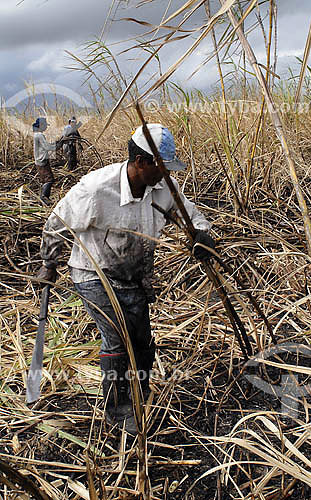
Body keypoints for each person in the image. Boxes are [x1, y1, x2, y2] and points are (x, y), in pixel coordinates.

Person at [36, 123, 215, 433]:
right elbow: (57, 221)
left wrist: (202, 234)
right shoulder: (96, 189)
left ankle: (138, 393)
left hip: (134, 275)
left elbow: (189, 212)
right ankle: (118, 410)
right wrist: (49, 263)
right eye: (160, 166)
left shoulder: (162, 187)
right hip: (94, 274)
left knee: (142, 342)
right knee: (118, 338)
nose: (165, 174)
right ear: (140, 162)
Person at [33, 117, 63, 205]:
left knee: (45, 179)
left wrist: (58, 142)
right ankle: (44, 197)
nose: (46, 127)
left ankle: (44, 197)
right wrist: (59, 145)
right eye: (45, 125)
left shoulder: (37, 134)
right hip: (42, 161)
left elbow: (46, 145)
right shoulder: (39, 135)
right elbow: (47, 147)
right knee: (49, 179)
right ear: (41, 125)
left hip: (40, 160)